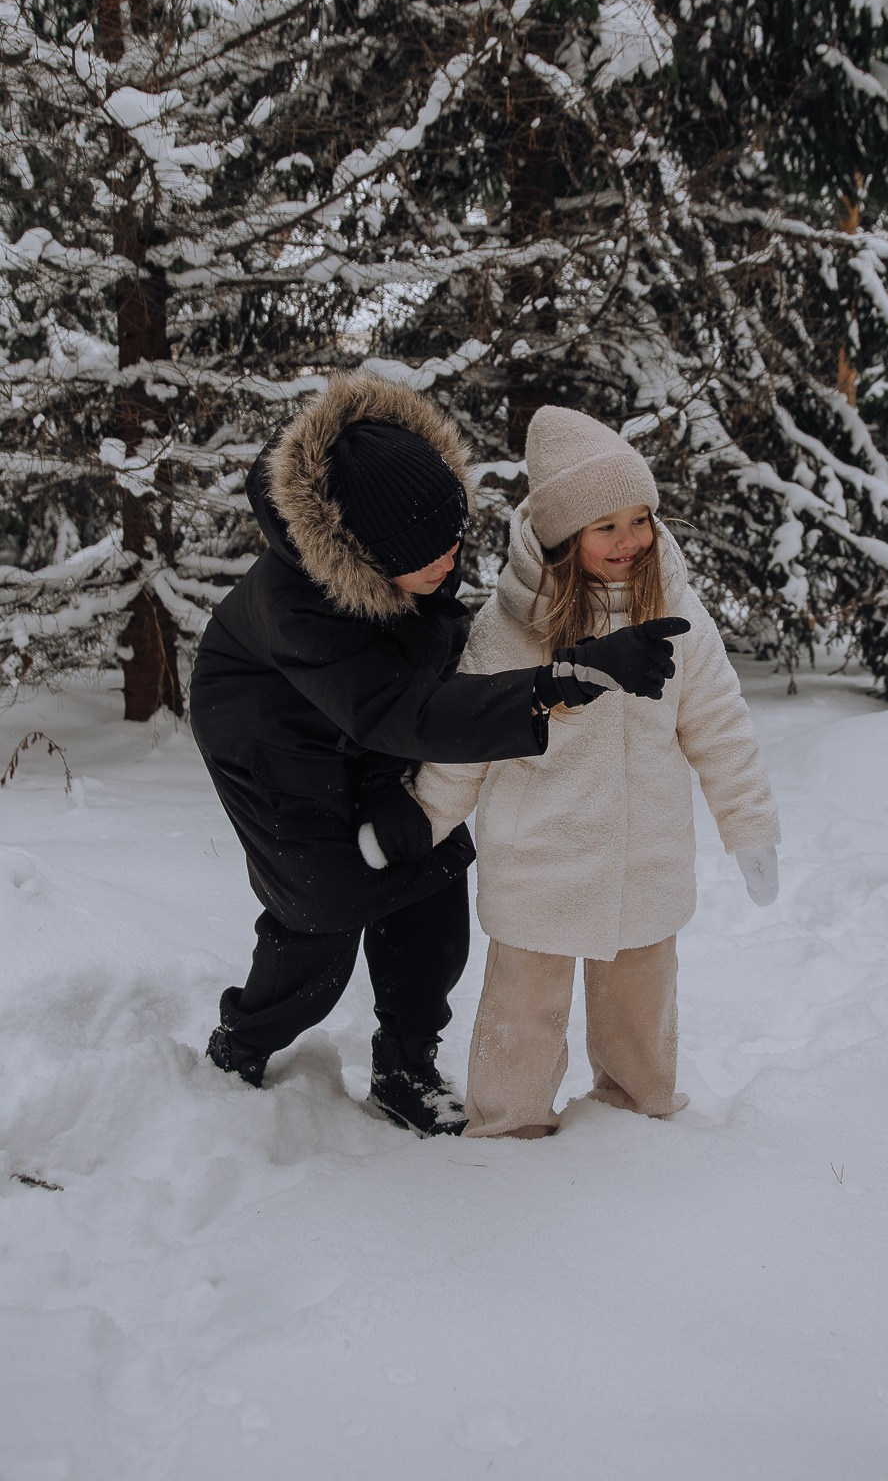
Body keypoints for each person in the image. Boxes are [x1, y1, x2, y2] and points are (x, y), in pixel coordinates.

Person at [189, 373, 688, 1134]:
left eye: (454, 543)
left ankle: (405, 1066)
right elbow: (402, 710)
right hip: (273, 743)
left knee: (429, 875)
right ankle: (244, 1041)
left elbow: (430, 661)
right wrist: (558, 682)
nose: (449, 565)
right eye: (429, 558)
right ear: (359, 554)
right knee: (323, 916)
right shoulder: (295, 605)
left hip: (378, 715)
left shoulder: (408, 538)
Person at [414, 405, 781, 1139]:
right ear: (561, 536)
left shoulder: (679, 611)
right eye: (604, 527)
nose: (630, 542)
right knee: (523, 1015)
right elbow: (467, 738)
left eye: (638, 519)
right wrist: (420, 822)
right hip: (538, 858)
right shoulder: (509, 624)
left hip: (644, 857)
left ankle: (638, 1117)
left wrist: (750, 827)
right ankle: (507, 1127)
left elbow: (718, 726)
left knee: (640, 1009)